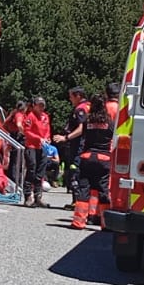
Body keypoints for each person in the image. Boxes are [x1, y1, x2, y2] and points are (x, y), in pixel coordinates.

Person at [71, 99, 113, 230]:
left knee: (84, 190)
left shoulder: (87, 122)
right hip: (104, 158)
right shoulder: (110, 123)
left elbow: (82, 135)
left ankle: (79, 222)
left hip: (87, 157)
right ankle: (106, 224)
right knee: (103, 191)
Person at [53, 87, 89, 193]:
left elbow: (81, 128)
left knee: (75, 170)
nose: (70, 99)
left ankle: (76, 200)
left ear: (78, 96)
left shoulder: (80, 109)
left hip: (78, 145)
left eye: (71, 97)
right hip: (87, 144)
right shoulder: (89, 106)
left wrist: (65, 137)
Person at [21, 95, 52, 207]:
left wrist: (48, 138)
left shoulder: (45, 117)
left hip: (42, 147)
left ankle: (38, 196)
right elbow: (27, 132)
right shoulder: (30, 116)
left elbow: (48, 130)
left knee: (40, 172)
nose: (41, 108)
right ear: (34, 106)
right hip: (31, 147)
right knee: (31, 170)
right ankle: (28, 196)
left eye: (43, 105)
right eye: (39, 105)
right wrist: (39, 138)